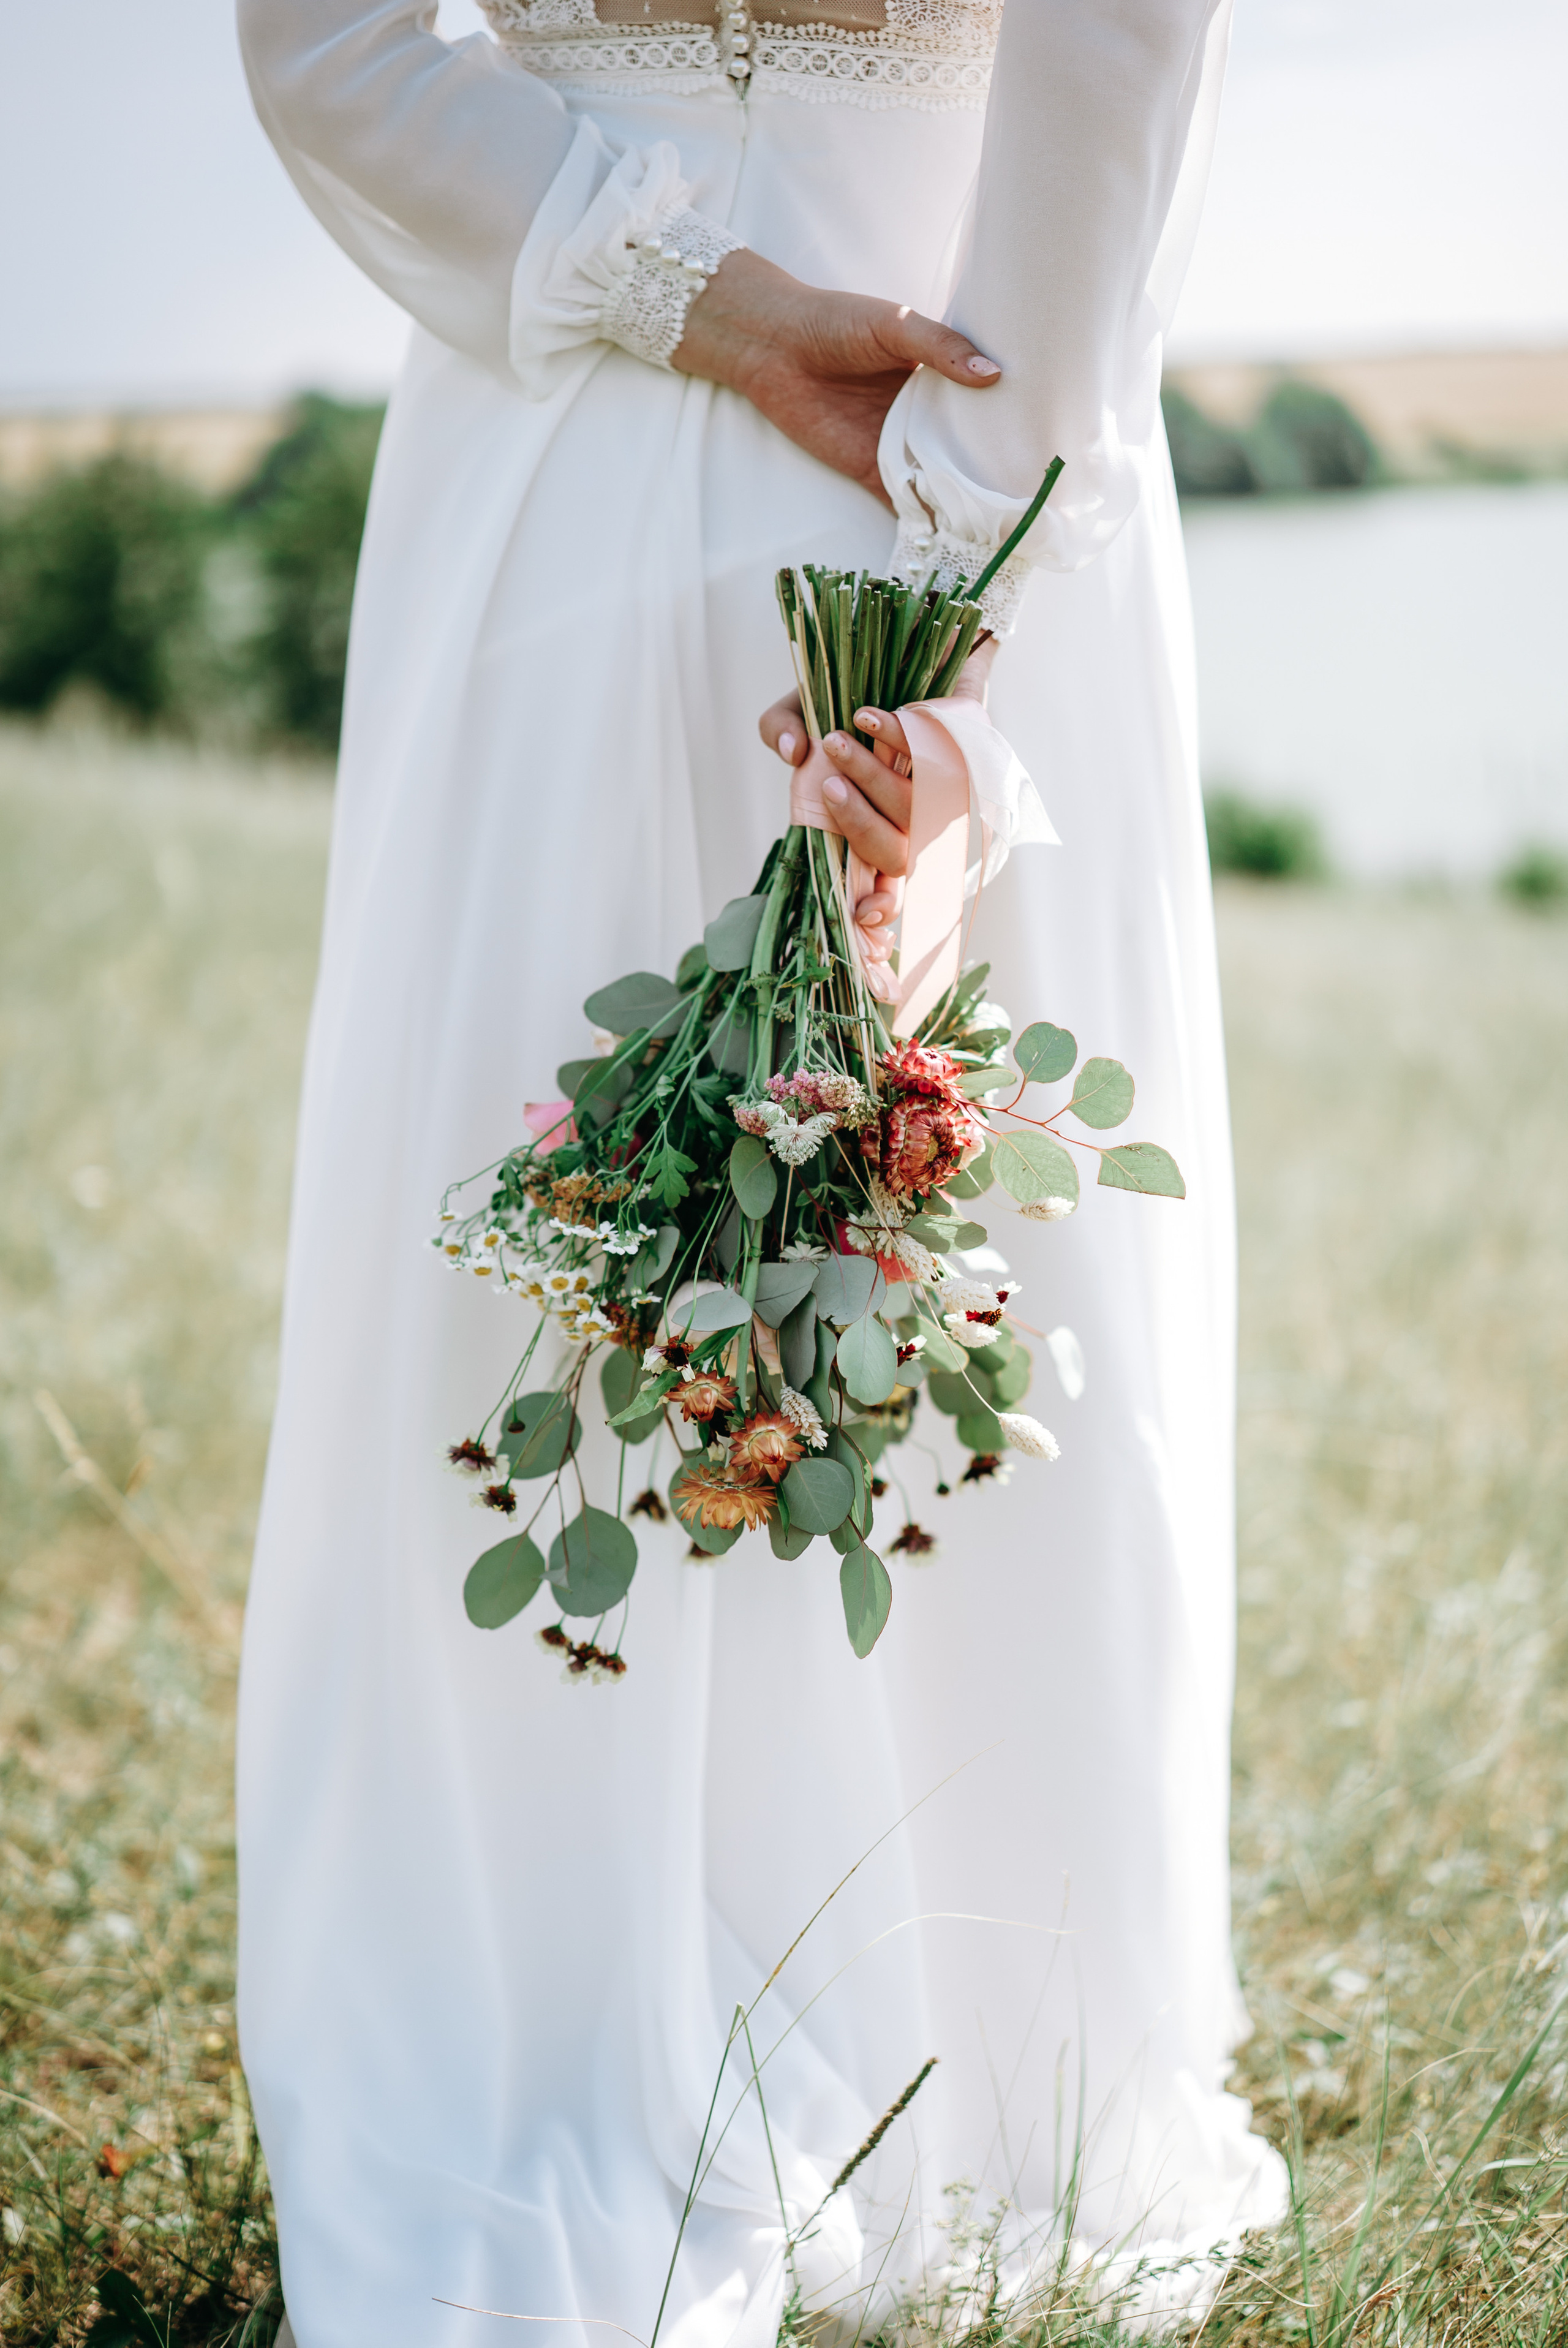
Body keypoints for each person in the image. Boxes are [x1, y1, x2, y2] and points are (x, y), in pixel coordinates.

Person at [234, 2, 1286, 2342]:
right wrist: (841, 393)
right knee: (557, 1222)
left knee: (933, 1193)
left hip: (905, 373)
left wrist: (975, 569)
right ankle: (582, 2008)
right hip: (721, 386)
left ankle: (933, 2016)